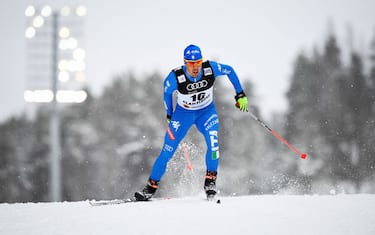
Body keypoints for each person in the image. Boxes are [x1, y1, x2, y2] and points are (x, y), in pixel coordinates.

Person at [134, 44, 248, 201]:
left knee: (213, 144)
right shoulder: (175, 77)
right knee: (167, 150)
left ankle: (210, 182)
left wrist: (240, 94)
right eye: (190, 63)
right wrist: (170, 113)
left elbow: (230, 70)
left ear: (201, 61)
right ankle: (150, 188)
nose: (195, 67)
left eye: (197, 63)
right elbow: (167, 94)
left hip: (206, 113)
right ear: (185, 62)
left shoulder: (210, 69)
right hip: (183, 115)